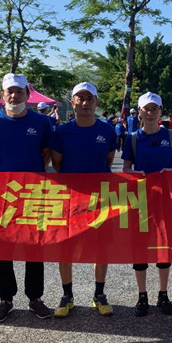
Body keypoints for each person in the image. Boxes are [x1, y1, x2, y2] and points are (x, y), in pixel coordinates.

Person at [0, 73, 54, 322]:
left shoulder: (41, 122)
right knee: (2, 246)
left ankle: (35, 298)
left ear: (28, 95)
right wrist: (2, 175)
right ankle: (5, 299)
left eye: (19, 91)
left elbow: (46, 154)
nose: (14, 96)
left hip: (32, 192)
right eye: (10, 91)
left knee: (34, 246)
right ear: (2, 95)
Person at [49, 82, 118, 318]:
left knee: (100, 248)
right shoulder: (61, 132)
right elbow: (57, 164)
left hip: (100, 197)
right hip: (70, 197)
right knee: (66, 247)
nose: (85, 103)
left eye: (90, 99)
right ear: (73, 103)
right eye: (80, 98)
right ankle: (67, 296)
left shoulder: (107, 131)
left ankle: (99, 294)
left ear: (96, 102)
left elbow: (108, 162)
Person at [122, 92, 172, 317]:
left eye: (154, 109)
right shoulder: (132, 138)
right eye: (146, 109)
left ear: (160, 112)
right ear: (139, 112)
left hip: (165, 200)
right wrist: (135, 174)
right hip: (140, 200)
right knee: (140, 247)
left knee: (164, 247)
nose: (150, 113)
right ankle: (142, 294)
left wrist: (171, 171)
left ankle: (163, 294)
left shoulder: (170, 135)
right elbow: (126, 169)